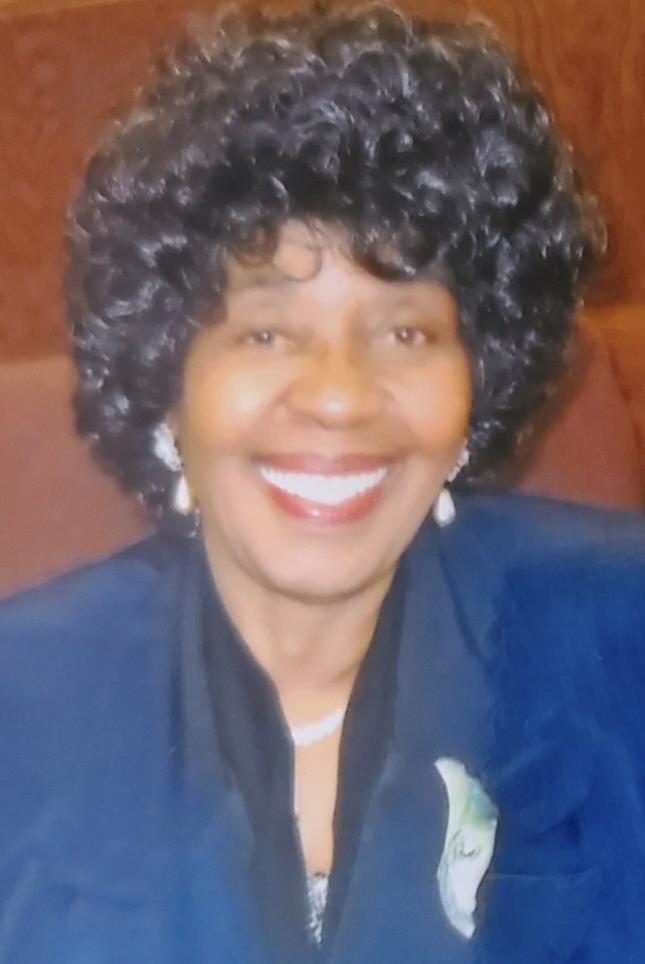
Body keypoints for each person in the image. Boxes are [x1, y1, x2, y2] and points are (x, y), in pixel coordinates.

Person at [1, 6, 644, 963]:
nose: (340, 397)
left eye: (407, 331)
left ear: (475, 384)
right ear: (169, 382)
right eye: (265, 332)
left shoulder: (622, 644)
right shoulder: (20, 706)